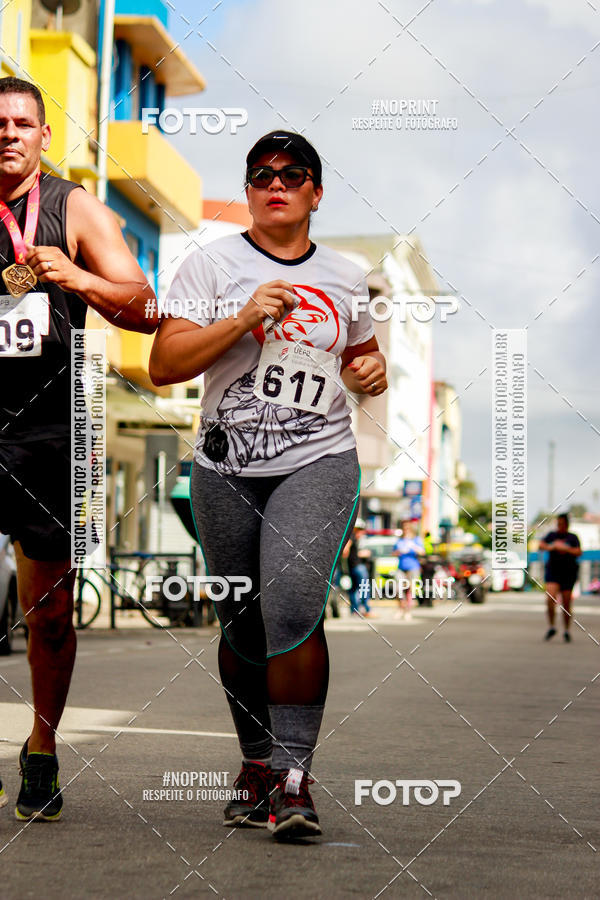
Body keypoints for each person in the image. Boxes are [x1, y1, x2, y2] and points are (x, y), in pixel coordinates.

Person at [150, 130, 387, 839]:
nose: (275, 183)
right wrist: (243, 316)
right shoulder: (210, 263)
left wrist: (369, 376)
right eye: (260, 174)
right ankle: (255, 763)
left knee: (290, 608)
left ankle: (292, 780)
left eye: (293, 173)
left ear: (316, 191)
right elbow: (164, 363)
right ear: (249, 190)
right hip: (226, 465)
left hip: (317, 457)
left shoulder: (348, 275)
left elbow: (363, 361)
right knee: (242, 618)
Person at [0, 77, 157, 821]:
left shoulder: (75, 208)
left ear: (43, 136)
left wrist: (78, 277)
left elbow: (148, 307)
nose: (9, 133)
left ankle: (41, 749)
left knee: (50, 612)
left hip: (51, 432)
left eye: (23, 122)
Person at [538, 512, 582, 642]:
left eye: (562, 524)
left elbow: (579, 551)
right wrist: (552, 547)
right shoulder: (552, 535)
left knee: (567, 603)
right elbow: (541, 545)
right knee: (550, 599)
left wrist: (566, 549)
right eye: (558, 524)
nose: (560, 526)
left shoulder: (573, 537)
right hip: (553, 572)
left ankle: (567, 630)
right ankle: (552, 626)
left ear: (567, 525)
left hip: (568, 573)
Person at [393, 521, 424, 619]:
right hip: (401, 567)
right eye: (404, 528)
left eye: (407, 528)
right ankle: (401, 608)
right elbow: (394, 553)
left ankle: (407, 611)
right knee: (398, 588)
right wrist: (399, 551)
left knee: (409, 590)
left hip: (413, 567)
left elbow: (422, 552)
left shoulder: (416, 539)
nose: (406, 530)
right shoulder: (400, 540)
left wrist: (413, 547)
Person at [346, 519, 376, 617]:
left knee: (354, 588)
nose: (362, 532)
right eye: (361, 530)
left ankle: (354, 610)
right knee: (364, 587)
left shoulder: (352, 537)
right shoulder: (352, 537)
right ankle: (366, 609)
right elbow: (346, 550)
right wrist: (363, 554)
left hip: (352, 566)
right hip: (358, 566)